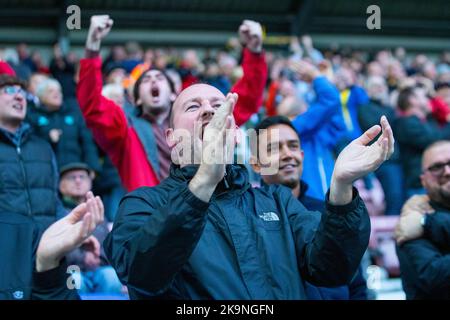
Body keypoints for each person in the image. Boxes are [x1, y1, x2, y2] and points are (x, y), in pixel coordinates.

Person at [104, 81, 394, 299]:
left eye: (219, 107)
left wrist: (342, 189)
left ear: (233, 130)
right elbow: (142, 275)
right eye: (193, 107)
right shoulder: (142, 204)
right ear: (171, 138)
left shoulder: (277, 200)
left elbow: (332, 268)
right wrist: (204, 179)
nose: (208, 110)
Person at [76, 15, 267, 192]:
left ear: (173, 94)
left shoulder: (202, 115)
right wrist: (92, 46)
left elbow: (246, 99)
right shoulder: (125, 130)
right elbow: (92, 105)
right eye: (145, 80)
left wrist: (254, 51)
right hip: (151, 217)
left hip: (208, 211)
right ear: (137, 99)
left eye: (159, 77)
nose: (153, 81)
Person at [0, 71, 104, 299]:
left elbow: (53, 201)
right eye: (9, 91)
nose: (18, 97)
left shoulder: (43, 147)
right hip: (7, 261)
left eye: (21, 92)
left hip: (49, 257)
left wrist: (77, 235)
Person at [252, 115, 367, 300]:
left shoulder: (329, 211)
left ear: (302, 155)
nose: (287, 154)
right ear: (256, 164)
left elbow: (356, 282)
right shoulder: (248, 218)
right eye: (274, 148)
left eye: (293, 146)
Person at [395, 140, 450, 299]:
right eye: (436, 167)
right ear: (423, 180)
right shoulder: (412, 217)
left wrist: (427, 223)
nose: (447, 171)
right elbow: (434, 276)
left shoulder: (422, 222)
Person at [58, 162, 124, 295]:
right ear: (61, 185)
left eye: (82, 177)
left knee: (111, 277)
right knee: (74, 280)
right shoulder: (57, 212)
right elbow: (57, 249)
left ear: (90, 182)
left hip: (98, 267)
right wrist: (83, 258)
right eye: (72, 177)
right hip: (72, 267)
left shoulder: (97, 210)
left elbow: (109, 246)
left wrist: (98, 257)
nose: (78, 181)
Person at [287, 60, 347, 200]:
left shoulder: (313, 132)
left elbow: (333, 115)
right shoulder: (297, 127)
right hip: (314, 202)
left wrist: (323, 80)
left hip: (315, 202)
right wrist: (316, 77)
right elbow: (330, 101)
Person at [26, 78, 100, 172]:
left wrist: (93, 167)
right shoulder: (32, 116)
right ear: (41, 96)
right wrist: (47, 138)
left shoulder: (74, 114)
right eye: (51, 91)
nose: (57, 94)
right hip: (48, 172)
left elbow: (87, 143)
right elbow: (30, 145)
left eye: (59, 91)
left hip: (75, 170)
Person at [359, 76, 404, 215]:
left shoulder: (390, 108)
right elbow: (376, 125)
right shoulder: (364, 108)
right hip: (379, 158)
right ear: (368, 90)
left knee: (396, 199)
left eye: (381, 85)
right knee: (390, 198)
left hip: (394, 159)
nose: (379, 88)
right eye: (374, 85)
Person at [395, 86, 450, 197]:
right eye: (424, 96)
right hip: (419, 184)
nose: (428, 99)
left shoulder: (425, 121)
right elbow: (434, 141)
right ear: (412, 100)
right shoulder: (405, 123)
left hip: (432, 180)